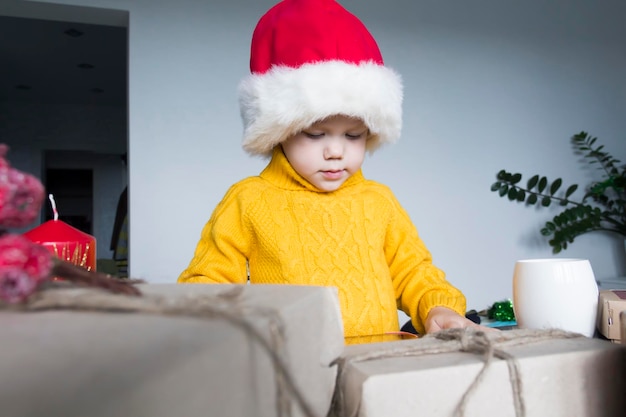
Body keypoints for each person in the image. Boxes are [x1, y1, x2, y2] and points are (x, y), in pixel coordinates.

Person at [178, 0, 483, 341]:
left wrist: (437, 306)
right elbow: (209, 281)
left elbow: (413, 271)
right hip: (291, 369)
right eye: (315, 133)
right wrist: (207, 318)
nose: (336, 150)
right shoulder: (249, 201)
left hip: (382, 365)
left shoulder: (378, 201)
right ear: (280, 130)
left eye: (353, 135)